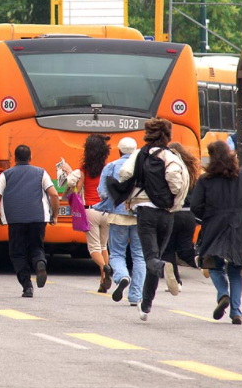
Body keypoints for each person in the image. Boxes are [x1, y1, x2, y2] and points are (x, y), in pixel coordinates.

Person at [116, 118, 190, 321]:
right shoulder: (170, 156)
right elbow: (176, 179)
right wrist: (172, 199)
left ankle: (158, 274)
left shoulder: (139, 154)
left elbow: (124, 173)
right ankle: (146, 305)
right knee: (155, 256)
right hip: (167, 213)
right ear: (168, 135)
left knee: (151, 258)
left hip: (145, 212)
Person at [192, 140, 242, 324]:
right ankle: (236, 311)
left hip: (215, 226)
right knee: (235, 270)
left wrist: (208, 216)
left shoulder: (205, 180)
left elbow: (195, 206)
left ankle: (223, 293)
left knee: (212, 263)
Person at [0, 145, 60, 298]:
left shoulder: (6, 175)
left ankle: (27, 286)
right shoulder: (41, 173)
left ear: (14, 158)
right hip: (38, 218)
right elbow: (54, 195)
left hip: (15, 220)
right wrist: (54, 215)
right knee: (36, 246)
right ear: (30, 157)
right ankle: (40, 262)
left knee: (17, 253)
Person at [95, 137, 145, 306]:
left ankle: (122, 276)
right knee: (139, 256)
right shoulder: (144, 167)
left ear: (119, 151)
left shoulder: (111, 167)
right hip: (140, 216)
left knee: (117, 253)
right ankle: (136, 296)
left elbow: (102, 193)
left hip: (118, 216)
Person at [67, 134, 112, 293]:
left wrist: (68, 171)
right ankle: (102, 281)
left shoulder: (84, 169)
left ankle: (105, 267)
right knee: (103, 246)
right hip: (107, 211)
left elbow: (74, 187)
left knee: (93, 248)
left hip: (91, 210)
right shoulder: (108, 168)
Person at [162, 142, 202, 289]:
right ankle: (199, 262)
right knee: (185, 248)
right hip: (189, 215)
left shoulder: (172, 171)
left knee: (168, 249)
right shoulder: (192, 172)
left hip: (174, 213)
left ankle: (175, 281)